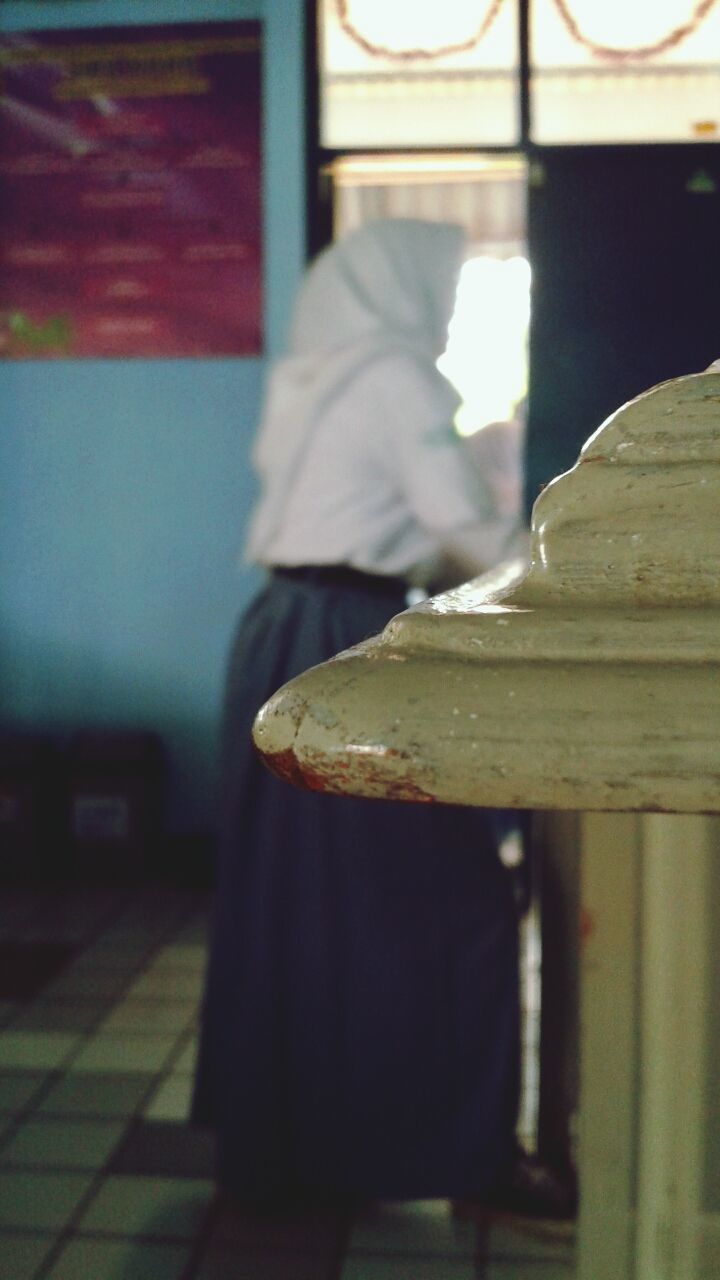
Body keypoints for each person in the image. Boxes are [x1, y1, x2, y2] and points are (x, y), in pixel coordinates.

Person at [192, 218, 527, 1208]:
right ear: (403, 292)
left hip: (279, 632)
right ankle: (454, 1150)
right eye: (446, 293)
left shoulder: (314, 375)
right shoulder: (395, 377)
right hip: (346, 639)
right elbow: (465, 528)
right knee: (449, 900)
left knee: (292, 897)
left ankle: (288, 1145)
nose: (449, 312)